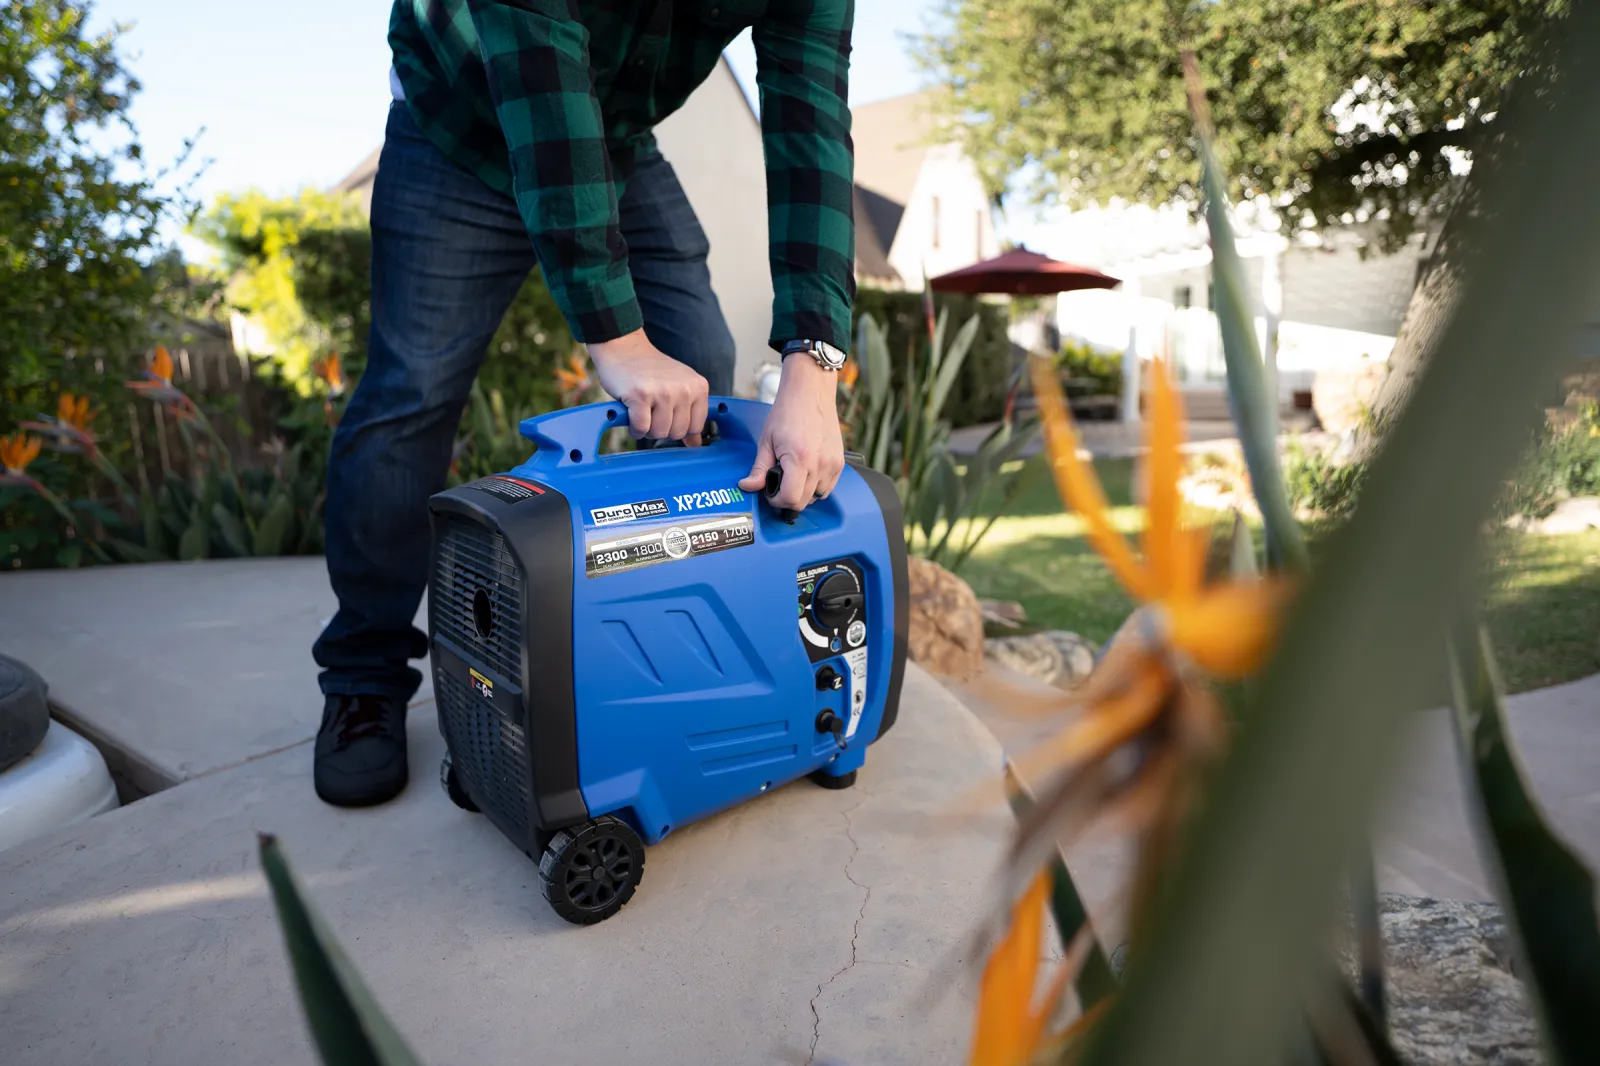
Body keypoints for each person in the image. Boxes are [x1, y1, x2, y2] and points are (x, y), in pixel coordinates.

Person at [310, 0, 858, 807]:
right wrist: (618, 339)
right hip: (458, 119)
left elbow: (809, 121)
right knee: (410, 396)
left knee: (699, 362)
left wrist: (814, 367)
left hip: (612, 139)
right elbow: (539, 65)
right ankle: (363, 677)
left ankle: (673, 634)